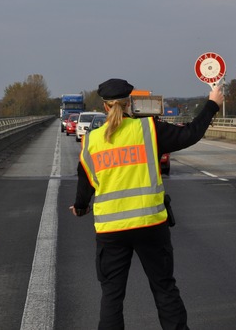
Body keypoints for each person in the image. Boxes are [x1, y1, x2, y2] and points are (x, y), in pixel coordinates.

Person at [70, 78, 224, 330]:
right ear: (130, 103)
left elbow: (83, 185)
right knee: (164, 288)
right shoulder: (149, 129)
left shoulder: (92, 141)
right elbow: (190, 134)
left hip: (111, 232)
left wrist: (80, 207)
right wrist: (212, 105)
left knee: (111, 296)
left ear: (105, 107)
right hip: (151, 226)